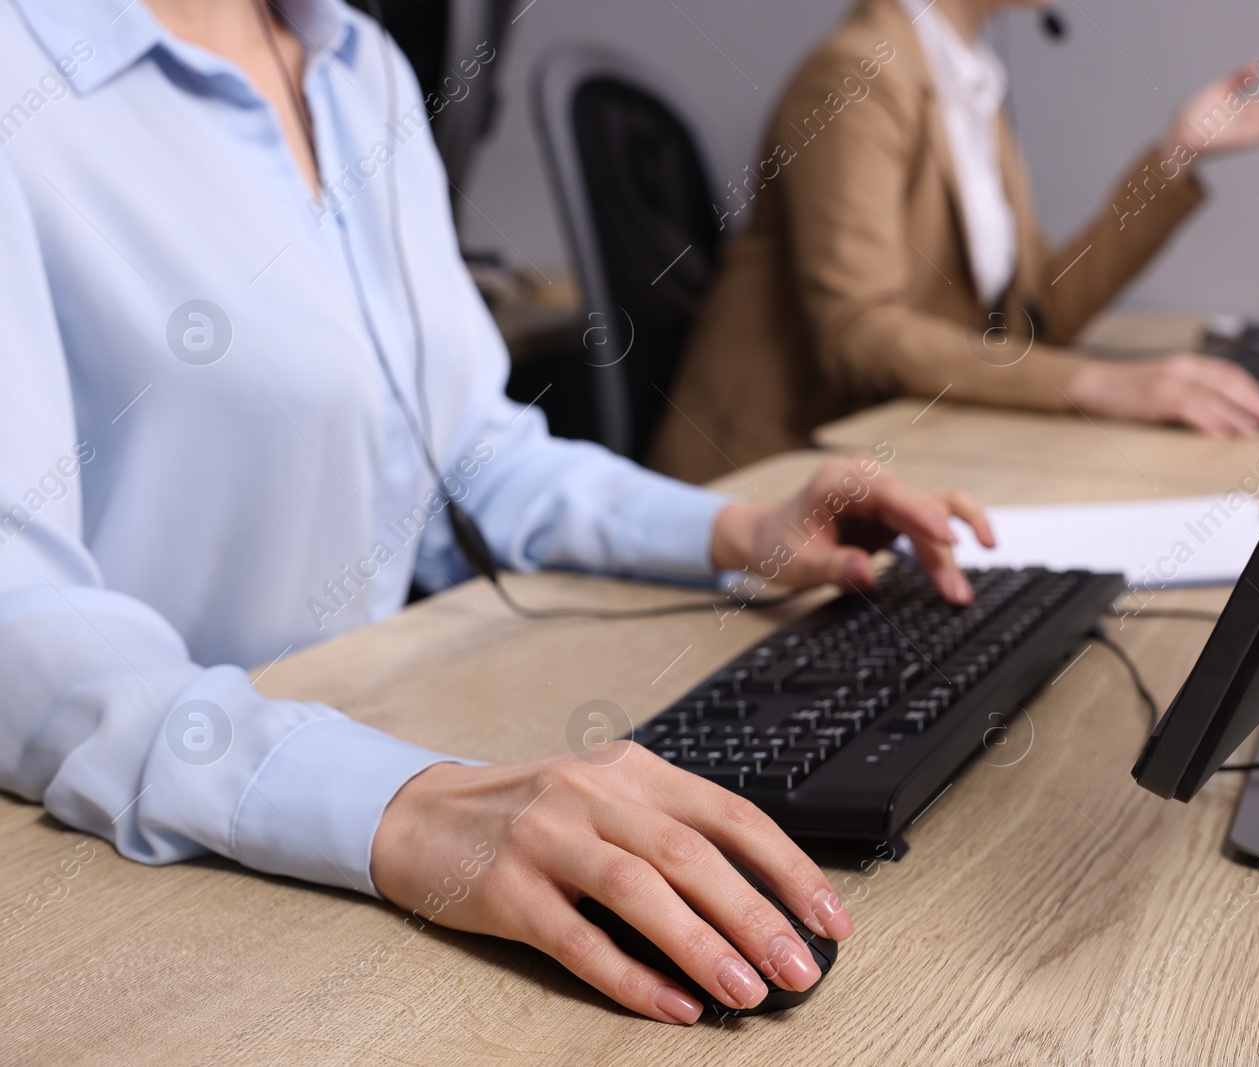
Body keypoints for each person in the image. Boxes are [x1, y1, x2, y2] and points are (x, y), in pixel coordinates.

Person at [0, 0, 998, 1025]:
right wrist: (403, 802)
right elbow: (16, 618)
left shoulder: (360, 66)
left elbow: (465, 457)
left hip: (373, 729)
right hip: (132, 859)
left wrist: (740, 533)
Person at [651, 0, 1259, 484]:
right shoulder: (855, 76)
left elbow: (1039, 313)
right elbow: (857, 333)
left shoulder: (966, 83)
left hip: (898, 448)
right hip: (768, 479)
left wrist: (1177, 158)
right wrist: (1097, 382)